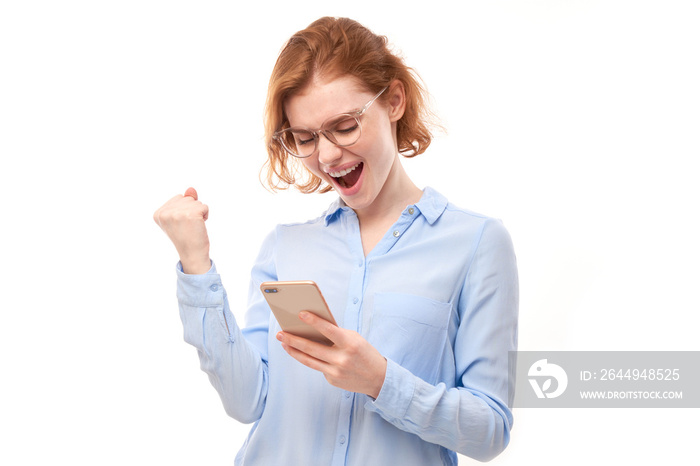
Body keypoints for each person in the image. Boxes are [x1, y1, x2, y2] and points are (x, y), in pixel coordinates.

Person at [154, 16, 518, 466]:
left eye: (344, 127)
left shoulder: (477, 243)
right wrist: (196, 265)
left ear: (395, 101)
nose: (326, 156)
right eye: (305, 138)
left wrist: (382, 380)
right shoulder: (285, 248)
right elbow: (247, 401)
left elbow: (490, 431)